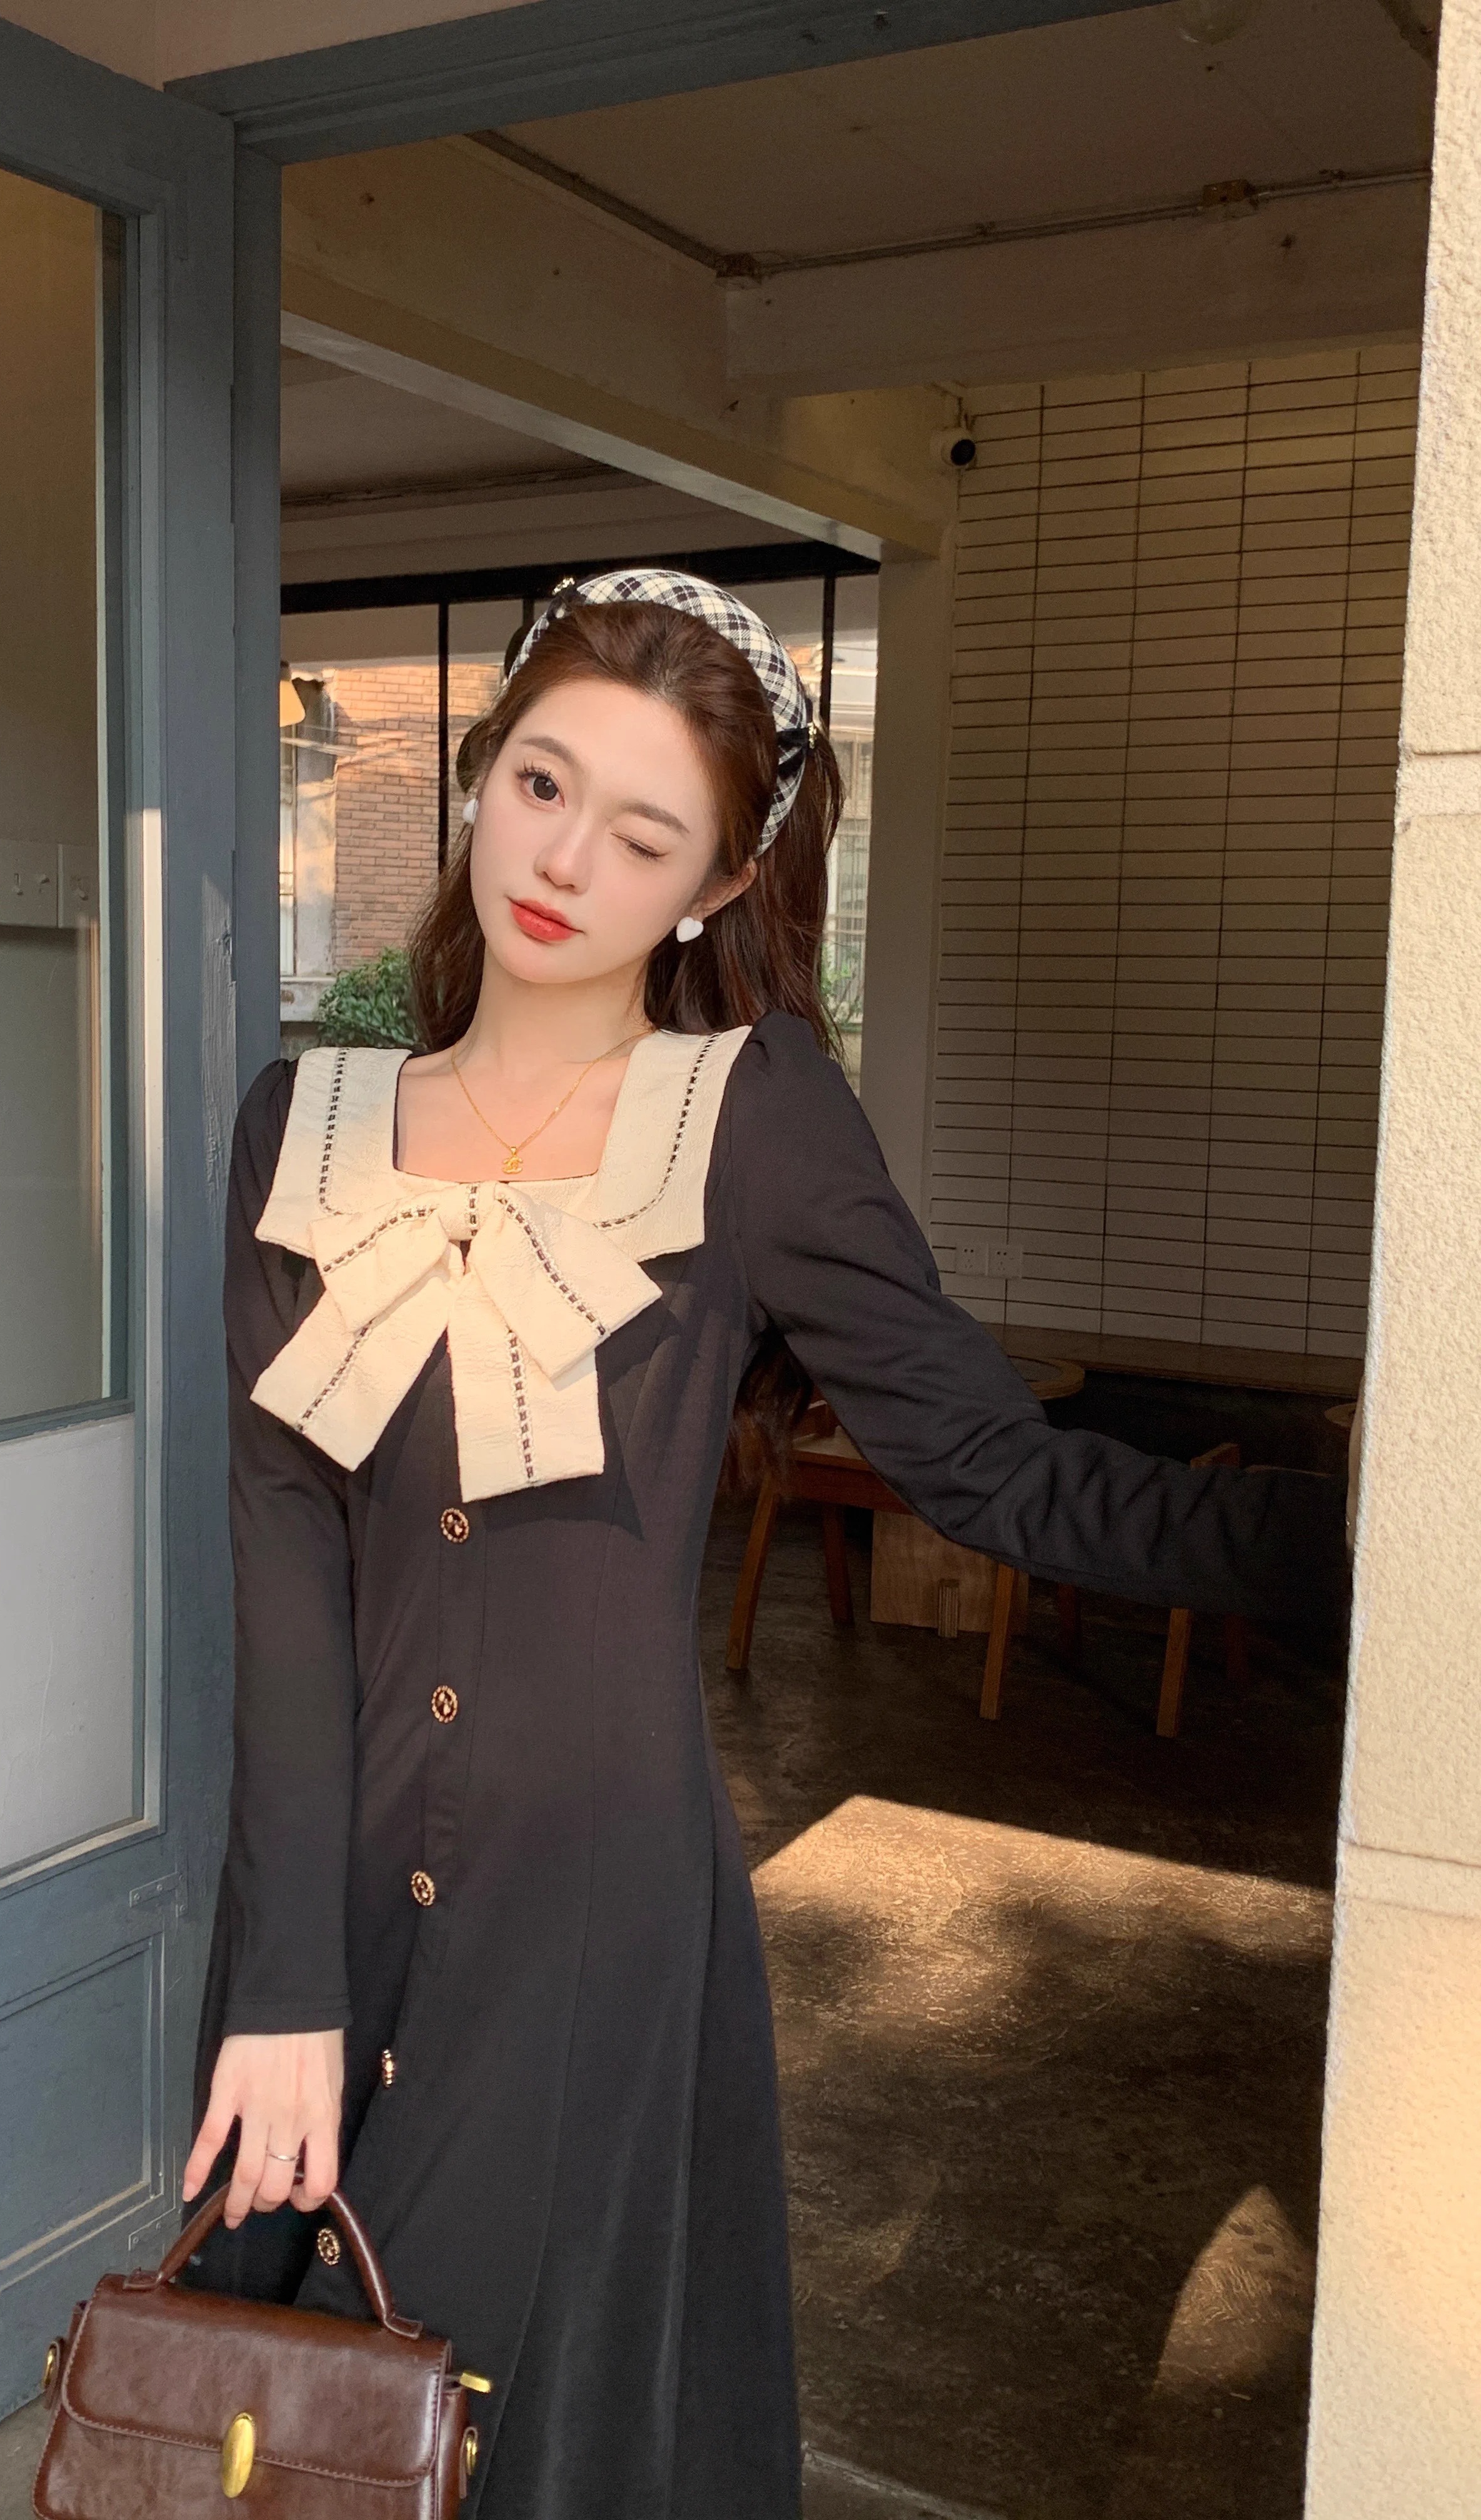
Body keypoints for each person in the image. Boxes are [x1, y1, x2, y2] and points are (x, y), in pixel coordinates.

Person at [176, 571, 1345, 2517]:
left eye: (645, 836)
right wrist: (281, 1977)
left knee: (482, 2435)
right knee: (258, 2426)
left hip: (590, 1915)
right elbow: (284, 1557)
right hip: (330, 1895)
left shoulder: (754, 1118)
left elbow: (998, 1472)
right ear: (481, 770)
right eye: (542, 785)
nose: (567, 862)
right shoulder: (298, 1124)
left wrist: (1375, 1540)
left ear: (718, 885)